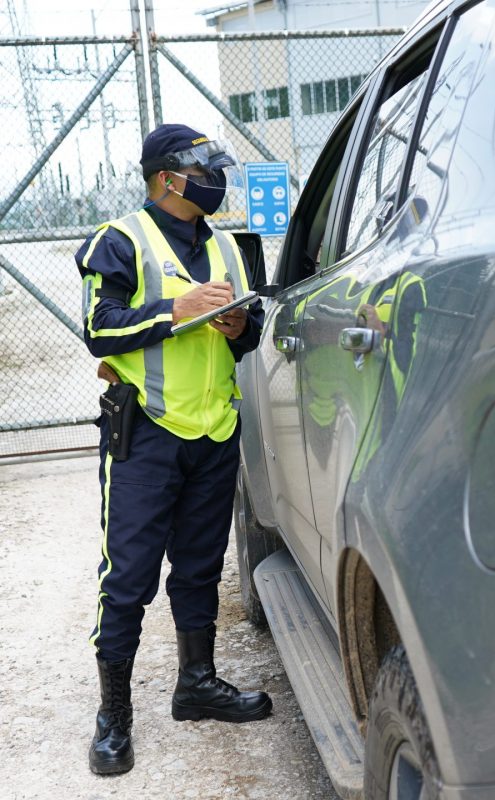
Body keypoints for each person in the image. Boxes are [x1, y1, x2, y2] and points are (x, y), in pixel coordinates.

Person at [74, 123, 270, 776]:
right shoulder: (120, 240)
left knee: (197, 567)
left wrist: (240, 323)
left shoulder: (226, 247)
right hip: (147, 436)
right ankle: (113, 717)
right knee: (127, 577)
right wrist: (176, 309)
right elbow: (99, 329)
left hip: (215, 432)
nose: (213, 178)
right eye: (200, 168)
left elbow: (246, 333)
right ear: (166, 178)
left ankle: (197, 684)